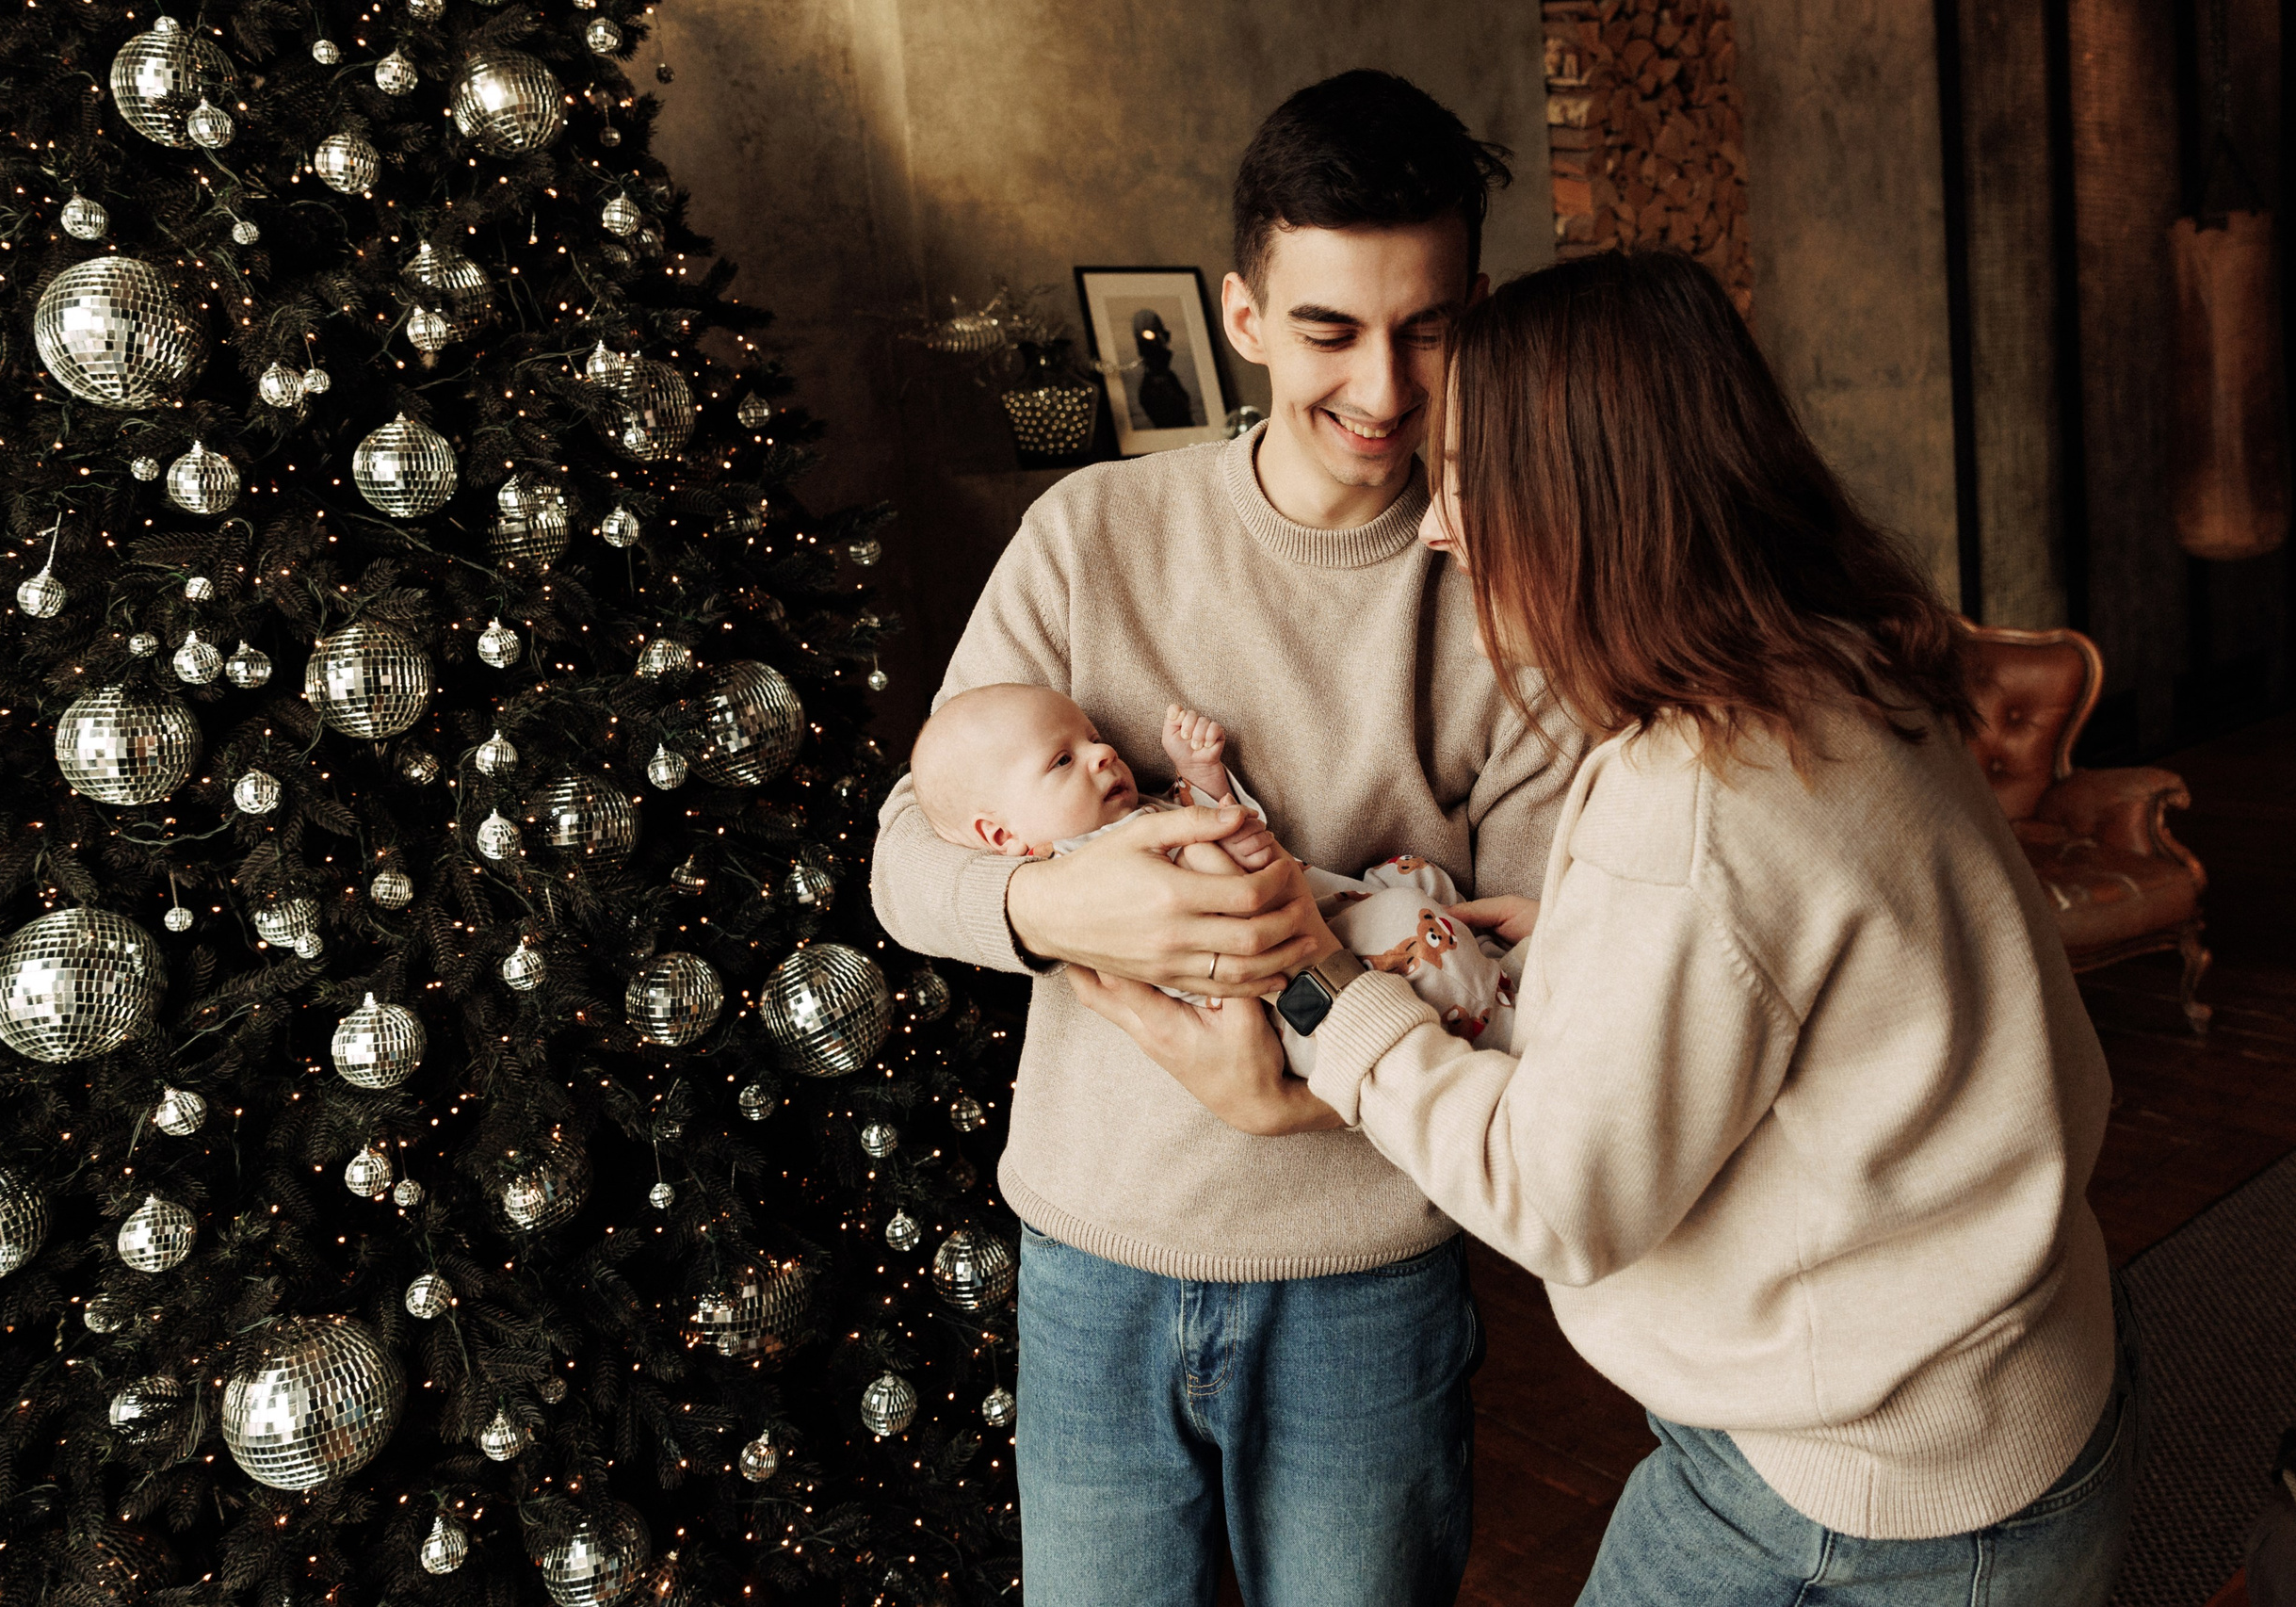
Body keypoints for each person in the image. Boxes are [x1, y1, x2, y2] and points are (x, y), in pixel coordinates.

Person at [1075, 251, 2139, 1606]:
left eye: (1468, 475)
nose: (1439, 526)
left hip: (1862, 1499)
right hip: (2028, 1386)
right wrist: (1587, 933)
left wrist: (1325, 996)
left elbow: (1563, 1196)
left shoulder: (1696, 801)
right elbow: (1811, 964)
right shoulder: (1844, 664)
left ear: (1583, 499)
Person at [871, 69, 1579, 1607]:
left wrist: (1298, 1096)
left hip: (1365, 1277)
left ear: (1480, 305)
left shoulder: (1515, 589)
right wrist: (1059, 908)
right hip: (1091, 1264)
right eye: (1329, 330)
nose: (1384, 388)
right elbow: (907, 858)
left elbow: (1551, 975)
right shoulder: (1089, 535)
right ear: (1245, 315)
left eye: (1429, 325)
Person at [909, 683, 1520, 1054]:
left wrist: (1202, 778)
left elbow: (1219, 824)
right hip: (1304, 981)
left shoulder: (1136, 812)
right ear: (1002, 834)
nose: (1103, 753)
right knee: (1406, 928)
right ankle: (1496, 1015)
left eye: (1094, 737)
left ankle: (1488, 960)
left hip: (1326, 899)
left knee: (1415, 876)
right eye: (1063, 759)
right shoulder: (1082, 870)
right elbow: (1191, 959)